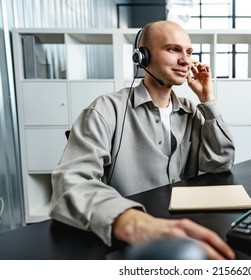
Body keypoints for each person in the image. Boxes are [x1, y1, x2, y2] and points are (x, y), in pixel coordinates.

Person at [49, 20, 235, 260]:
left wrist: (207, 99)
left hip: (182, 232)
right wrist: (131, 222)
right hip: (126, 240)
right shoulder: (105, 110)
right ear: (142, 57)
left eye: (189, 52)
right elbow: (70, 182)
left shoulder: (191, 110)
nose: (186, 60)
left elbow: (220, 163)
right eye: (173, 49)